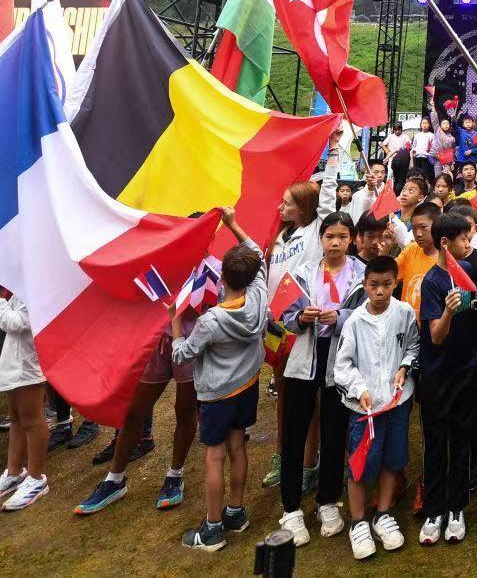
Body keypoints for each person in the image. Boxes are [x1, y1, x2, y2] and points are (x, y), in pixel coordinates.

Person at [170, 209, 267, 552]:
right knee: (237, 446)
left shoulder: (211, 321)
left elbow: (182, 355)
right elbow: (257, 255)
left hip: (216, 395)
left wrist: (175, 322)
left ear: (221, 276)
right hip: (247, 385)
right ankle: (235, 513)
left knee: (215, 456)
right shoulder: (259, 292)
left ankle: (212, 529)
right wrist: (233, 223)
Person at [74, 285, 201, 515]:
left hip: (192, 339)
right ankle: (114, 479)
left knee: (185, 410)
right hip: (156, 337)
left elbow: (203, 303)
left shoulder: (209, 264)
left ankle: (174, 475)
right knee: (134, 412)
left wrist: (180, 304)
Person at [278, 212, 364, 545]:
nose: (335, 243)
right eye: (330, 237)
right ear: (321, 238)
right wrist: (301, 317)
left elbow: (368, 313)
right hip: (305, 356)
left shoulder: (361, 274)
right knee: (294, 431)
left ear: (351, 239)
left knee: (334, 430)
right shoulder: (302, 273)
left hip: (341, 359)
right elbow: (286, 315)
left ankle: (328, 500)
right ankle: (290, 507)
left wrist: (340, 317)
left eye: (342, 237)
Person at [418, 210, 477, 546]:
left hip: (467, 369)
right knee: (436, 440)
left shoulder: (467, 270)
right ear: (446, 243)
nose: (469, 242)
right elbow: (436, 336)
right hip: (437, 374)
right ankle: (434, 509)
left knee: (463, 438)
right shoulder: (432, 282)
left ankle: (457, 508)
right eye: (464, 238)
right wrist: (449, 310)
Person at [334, 254, 417, 560]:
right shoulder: (355, 321)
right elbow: (342, 365)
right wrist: (360, 389)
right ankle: (358, 522)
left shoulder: (404, 313)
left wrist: (405, 366)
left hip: (397, 402)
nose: (380, 291)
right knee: (360, 465)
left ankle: (383, 513)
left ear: (395, 284)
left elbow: (413, 346)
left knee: (392, 460)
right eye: (374, 285)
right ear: (365, 284)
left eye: (386, 284)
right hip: (365, 409)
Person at [262, 178, 325, 491]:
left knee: (307, 398)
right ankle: (281, 454)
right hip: (275, 326)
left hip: (300, 326)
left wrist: (334, 154)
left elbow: (327, 198)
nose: (280, 207)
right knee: (283, 393)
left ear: (304, 207)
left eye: (287, 203)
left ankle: (309, 461)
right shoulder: (278, 236)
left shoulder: (315, 233)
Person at [0, 288, 50, 510]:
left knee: (33, 420)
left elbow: (18, 323)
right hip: (12, 362)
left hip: (27, 364)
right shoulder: (20, 288)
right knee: (16, 418)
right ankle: (14, 472)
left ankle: (36, 478)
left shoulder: (36, 287)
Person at [384, 123, 413, 191]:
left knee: (400, 176)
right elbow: (383, 144)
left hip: (401, 159)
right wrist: (387, 152)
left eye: (398, 130)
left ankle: (398, 190)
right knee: (390, 174)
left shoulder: (405, 137)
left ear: (401, 129)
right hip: (392, 158)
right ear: (393, 130)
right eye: (395, 130)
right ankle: (389, 189)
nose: (397, 131)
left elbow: (409, 146)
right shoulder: (391, 136)